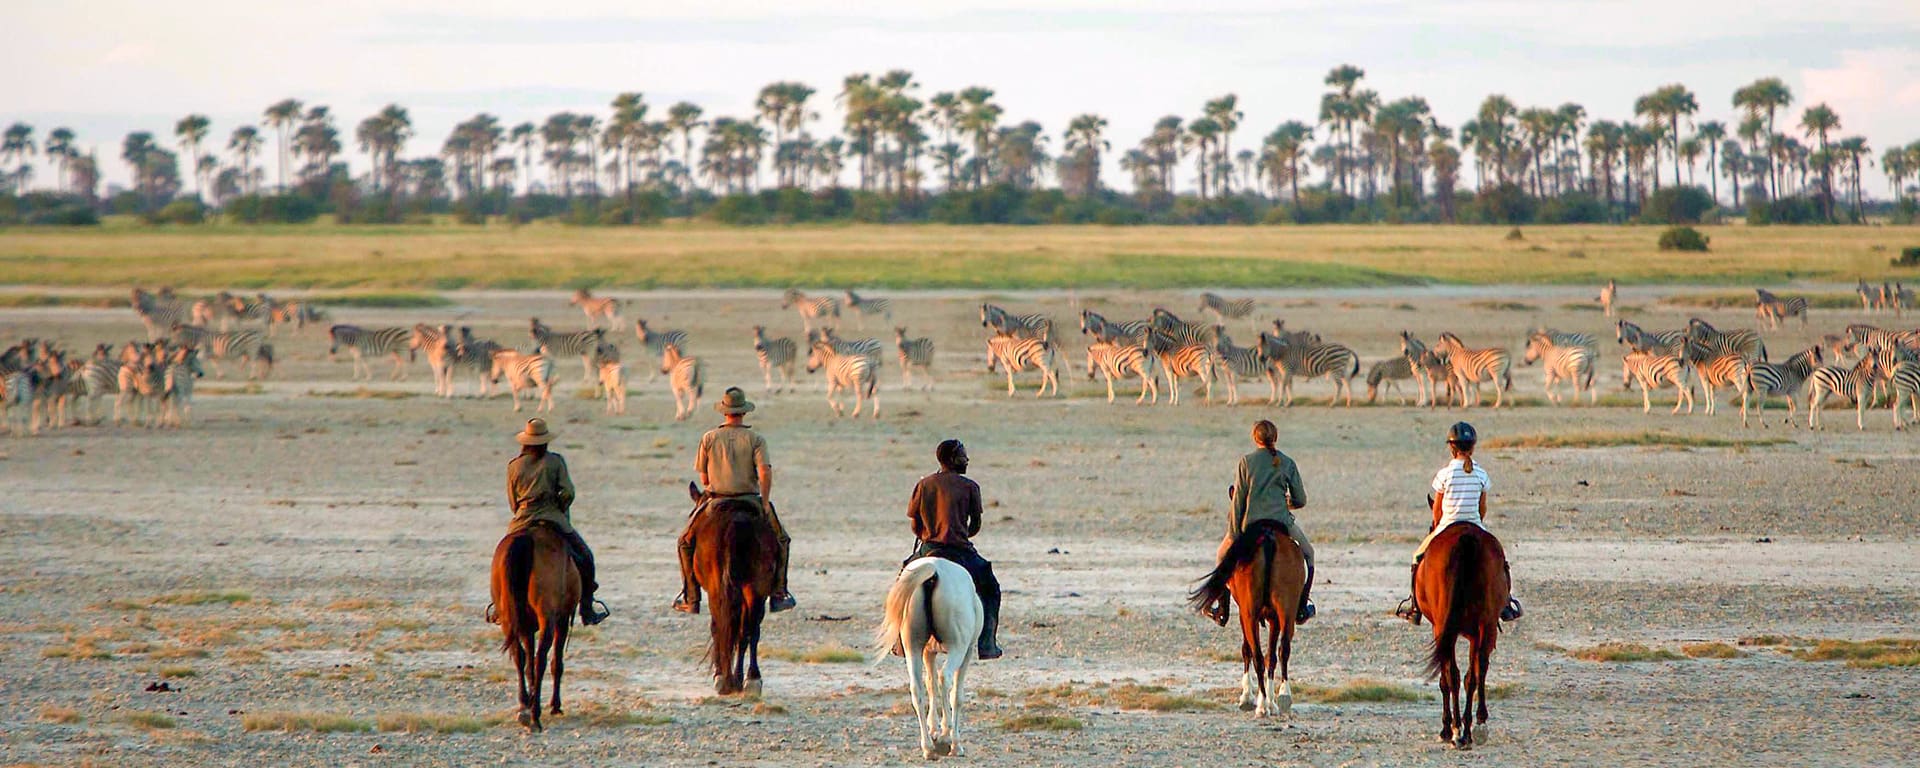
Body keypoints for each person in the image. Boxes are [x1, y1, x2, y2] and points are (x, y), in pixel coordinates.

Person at [674, 387, 795, 614]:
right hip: (750, 500)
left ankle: (691, 596)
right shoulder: (756, 439)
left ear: (724, 412)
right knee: (782, 540)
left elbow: (703, 477)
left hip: (715, 501)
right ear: (743, 412)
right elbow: (765, 473)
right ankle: (779, 592)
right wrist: (766, 502)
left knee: (684, 542)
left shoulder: (709, 438)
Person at [1396, 422, 1523, 624]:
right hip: (1474, 524)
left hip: (1447, 524)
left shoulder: (1444, 474)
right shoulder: (1481, 474)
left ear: (1451, 448)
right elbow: (1482, 509)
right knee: (1500, 559)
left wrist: (1438, 525)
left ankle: (1415, 606)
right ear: (1472, 447)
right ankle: (1506, 603)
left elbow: (1437, 509)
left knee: (1416, 557)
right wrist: (1477, 521)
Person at [1199, 419, 1315, 626]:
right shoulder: (1287, 462)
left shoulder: (1246, 462)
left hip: (1250, 523)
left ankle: (1222, 607)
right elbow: (1301, 500)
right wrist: (1286, 504)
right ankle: (1302, 605)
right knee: (1309, 554)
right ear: (1275, 438)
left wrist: (1234, 533)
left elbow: (1239, 500)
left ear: (1255, 438)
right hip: (1281, 522)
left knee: (1221, 556)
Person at [900, 439, 1003, 659]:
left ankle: (900, 641)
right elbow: (975, 525)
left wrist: (928, 533)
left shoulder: (924, 484)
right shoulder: (970, 487)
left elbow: (915, 525)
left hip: (929, 548)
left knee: (902, 582)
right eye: (963, 456)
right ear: (953, 459)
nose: (967, 460)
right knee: (990, 586)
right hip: (960, 551)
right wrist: (961, 533)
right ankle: (987, 643)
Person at [505, 418, 609, 625]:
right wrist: (560, 506)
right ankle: (587, 608)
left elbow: (512, 500)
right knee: (586, 557)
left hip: (522, 520)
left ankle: (500, 607)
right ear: (545, 441)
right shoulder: (555, 461)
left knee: (505, 559)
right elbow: (568, 491)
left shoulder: (514, 466)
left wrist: (523, 512)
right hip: (554, 518)